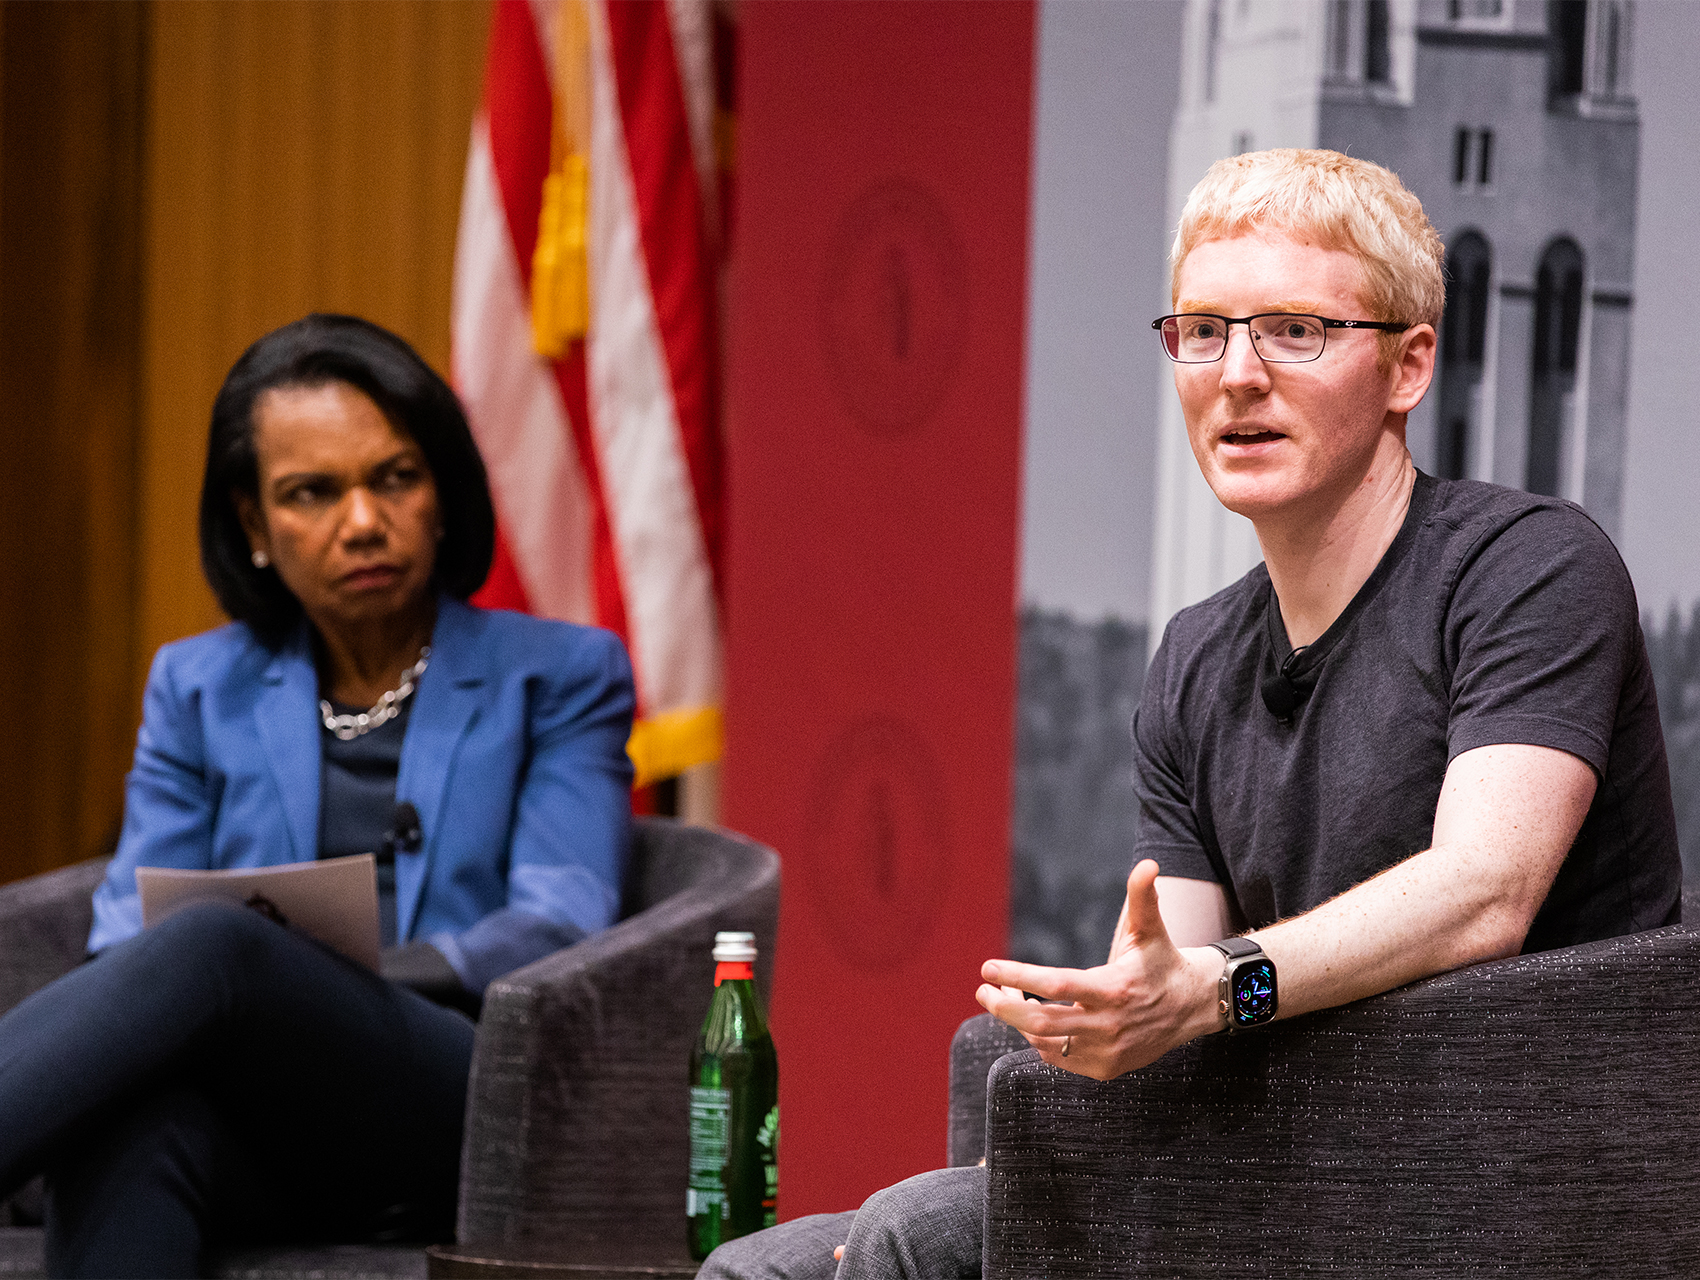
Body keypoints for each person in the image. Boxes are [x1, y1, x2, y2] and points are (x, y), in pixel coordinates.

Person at [700, 148, 1680, 1278]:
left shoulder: (1529, 569)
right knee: (761, 1266)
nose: (1237, 374)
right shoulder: (1195, 653)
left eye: (1295, 331)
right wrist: (1120, 1014)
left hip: (1494, 1172)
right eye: (1202, 330)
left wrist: (1215, 989)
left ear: (1408, 364)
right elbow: (1174, 964)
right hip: (1288, 1140)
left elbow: (1483, 894)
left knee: (912, 1236)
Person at [0, 314, 636, 1278]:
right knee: (132, 1112)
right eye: (312, 492)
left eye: (394, 478)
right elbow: (127, 925)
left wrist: (325, 974)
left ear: (442, 494)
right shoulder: (197, 686)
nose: (363, 522)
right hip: (267, 1128)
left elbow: (558, 920)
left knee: (219, 942)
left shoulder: (560, 674)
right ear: (255, 525)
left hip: (457, 1097)